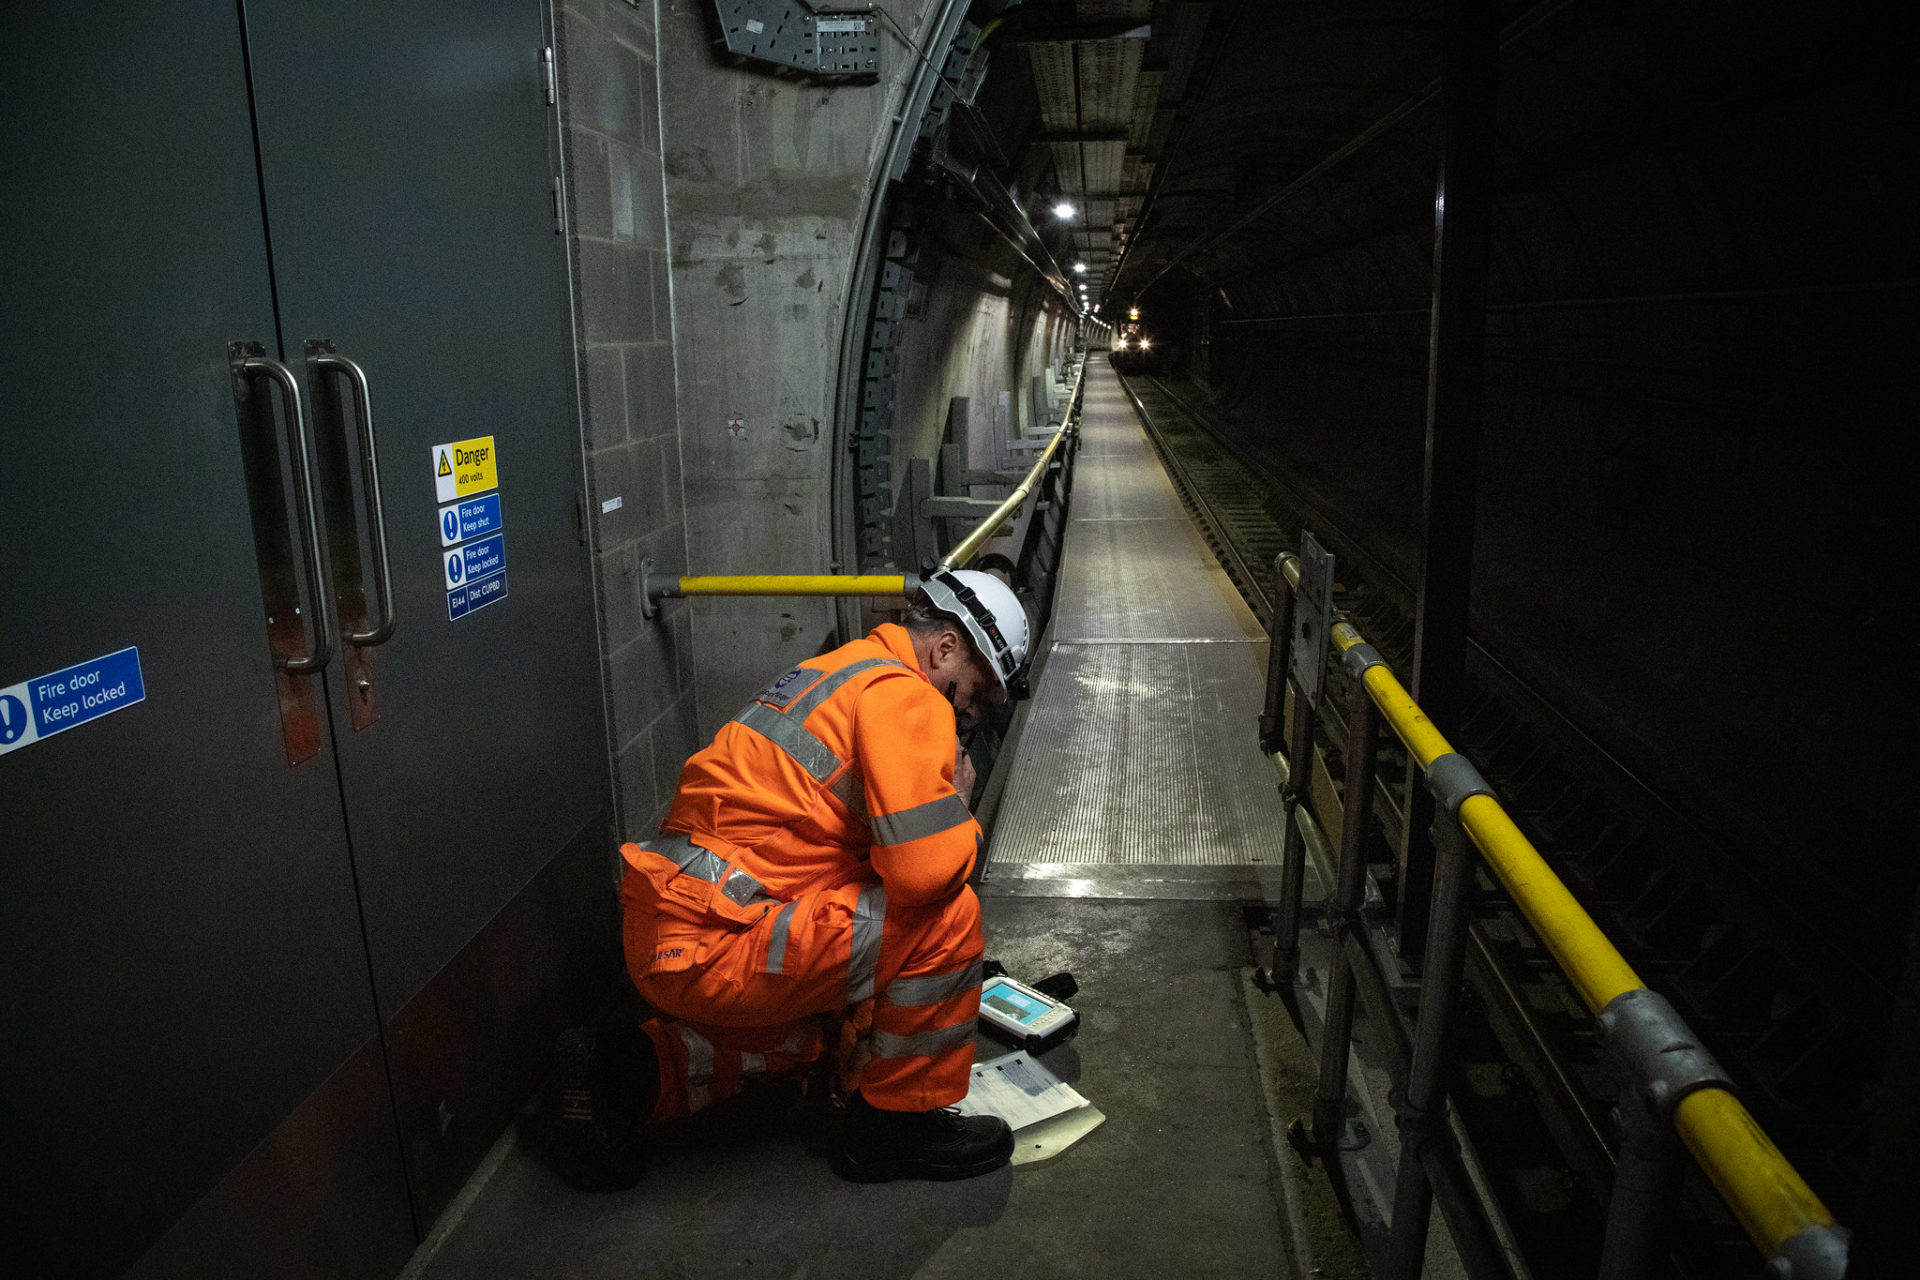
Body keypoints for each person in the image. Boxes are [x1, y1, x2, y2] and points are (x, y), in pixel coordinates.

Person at [549, 568, 1032, 1187]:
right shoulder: (905, 694)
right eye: (974, 690)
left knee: (817, 1042)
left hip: (672, 933)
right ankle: (894, 1131)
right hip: (721, 939)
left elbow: (819, 846)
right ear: (944, 649)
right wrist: (959, 812)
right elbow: (922, 875)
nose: (968, 710)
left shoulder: (834, 672)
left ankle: (619, 1075)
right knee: (947, 917)